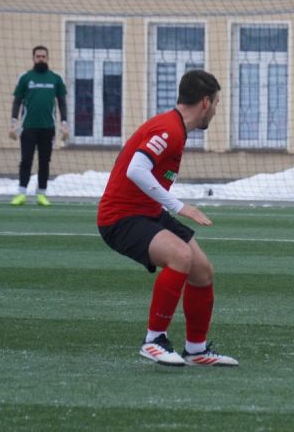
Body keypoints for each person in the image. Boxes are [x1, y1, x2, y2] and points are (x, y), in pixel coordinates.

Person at [97, 69, 237, 367]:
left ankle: (196, 350)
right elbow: (136, 169)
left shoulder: (175, 128)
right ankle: (153, 341)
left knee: (202, 271)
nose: (216, 110)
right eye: (216, 103)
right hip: (120, 218)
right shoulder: (169, 129)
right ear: (205, 102)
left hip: (147, 212)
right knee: (180, 257)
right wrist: (179, 206)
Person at [8, 46, 69, 206]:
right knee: (26, 160)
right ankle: (21, 193)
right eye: (38, 56)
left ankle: (41, 194)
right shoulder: (25, 78)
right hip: (28, 127)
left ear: (47, 58)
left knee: (44, 161)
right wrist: (13, 122)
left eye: (43, 56)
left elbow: (62, 103)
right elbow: (17, 101)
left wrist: (64, 123)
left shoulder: (56, 78)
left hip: (48, 128)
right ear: (33, 58)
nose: (40, 59)